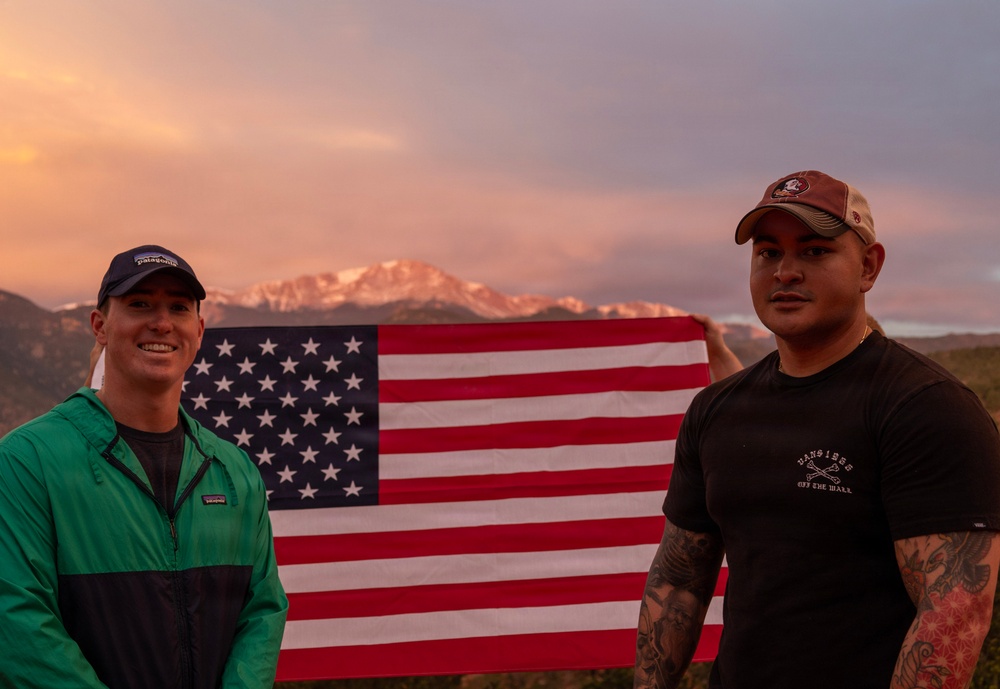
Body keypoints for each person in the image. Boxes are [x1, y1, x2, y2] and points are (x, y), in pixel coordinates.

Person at [634, 171, 1000, 689]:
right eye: (768, 253)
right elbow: (677, 582)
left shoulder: (926, 409)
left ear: (868, 267)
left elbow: (953, 615)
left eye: (814, 252)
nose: (785, 271)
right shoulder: (716, 410)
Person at [0, 245, 288, 689]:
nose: (161, 322)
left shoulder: (234, 470)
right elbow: (16, 618)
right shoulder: (28, 459)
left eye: (178, 307)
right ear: (100, 325)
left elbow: (262, 613)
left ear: (199, 330)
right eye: (139, 304)